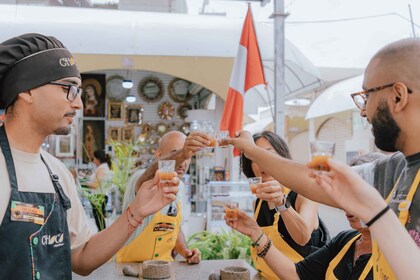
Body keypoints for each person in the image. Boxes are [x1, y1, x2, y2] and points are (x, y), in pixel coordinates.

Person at [223, 37, 420, 279]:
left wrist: (374, 211)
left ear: (398, 96)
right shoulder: (394, 168)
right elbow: (315, 180)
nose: (363, 110)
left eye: (366, 95)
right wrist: (250, 150)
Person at [0, 33, 179, 279]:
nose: (79, 104)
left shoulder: (56, 172)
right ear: (27, 90)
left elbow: (82, 258)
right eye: (69, 89)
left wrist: (136, 212)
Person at [241, 131, 329, 279]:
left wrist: (281, 202)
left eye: (268, 154)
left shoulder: (304, 194)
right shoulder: (258, 201)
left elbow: (303, 237)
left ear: (282, 158)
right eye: (255, 157)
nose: (263, 161)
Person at [314, 158, 420, 280]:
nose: (348, 207)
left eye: (356, 197)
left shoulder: (391, 252)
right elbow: (298, 272)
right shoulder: (345, 240)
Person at [117, 131, 209, 264]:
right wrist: (182, 153)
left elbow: (173, 225)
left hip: (164, 267)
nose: (183, 161)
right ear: (159, 155)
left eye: (188, 156)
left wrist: (185, 251)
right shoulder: (141, 178)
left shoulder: (181, 186)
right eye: (175, 153)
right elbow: (147, 177)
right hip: (129, 266)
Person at [85, 150, 113, 231]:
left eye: (94, 158)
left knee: (99, 220)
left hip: (99, 197)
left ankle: (102, 237)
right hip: (100, 196)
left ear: (98, 159)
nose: (93, 161)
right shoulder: (104, 168)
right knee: (99, 219)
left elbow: (95, 185)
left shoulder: (101, 169)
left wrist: (83, 182)